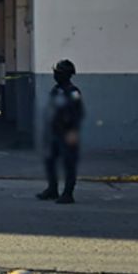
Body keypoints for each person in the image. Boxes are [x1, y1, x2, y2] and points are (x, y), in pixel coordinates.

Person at [36, 59, 84, 204]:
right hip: (54, 133)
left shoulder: (73, 92)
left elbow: (79, 113)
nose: (56, 75)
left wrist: (72, 132)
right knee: (50, 161)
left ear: (67, 75)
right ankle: (52, 189)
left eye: (59, 73)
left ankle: (68, 193)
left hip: (68, 133)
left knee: (68, 163)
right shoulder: (56, 90)